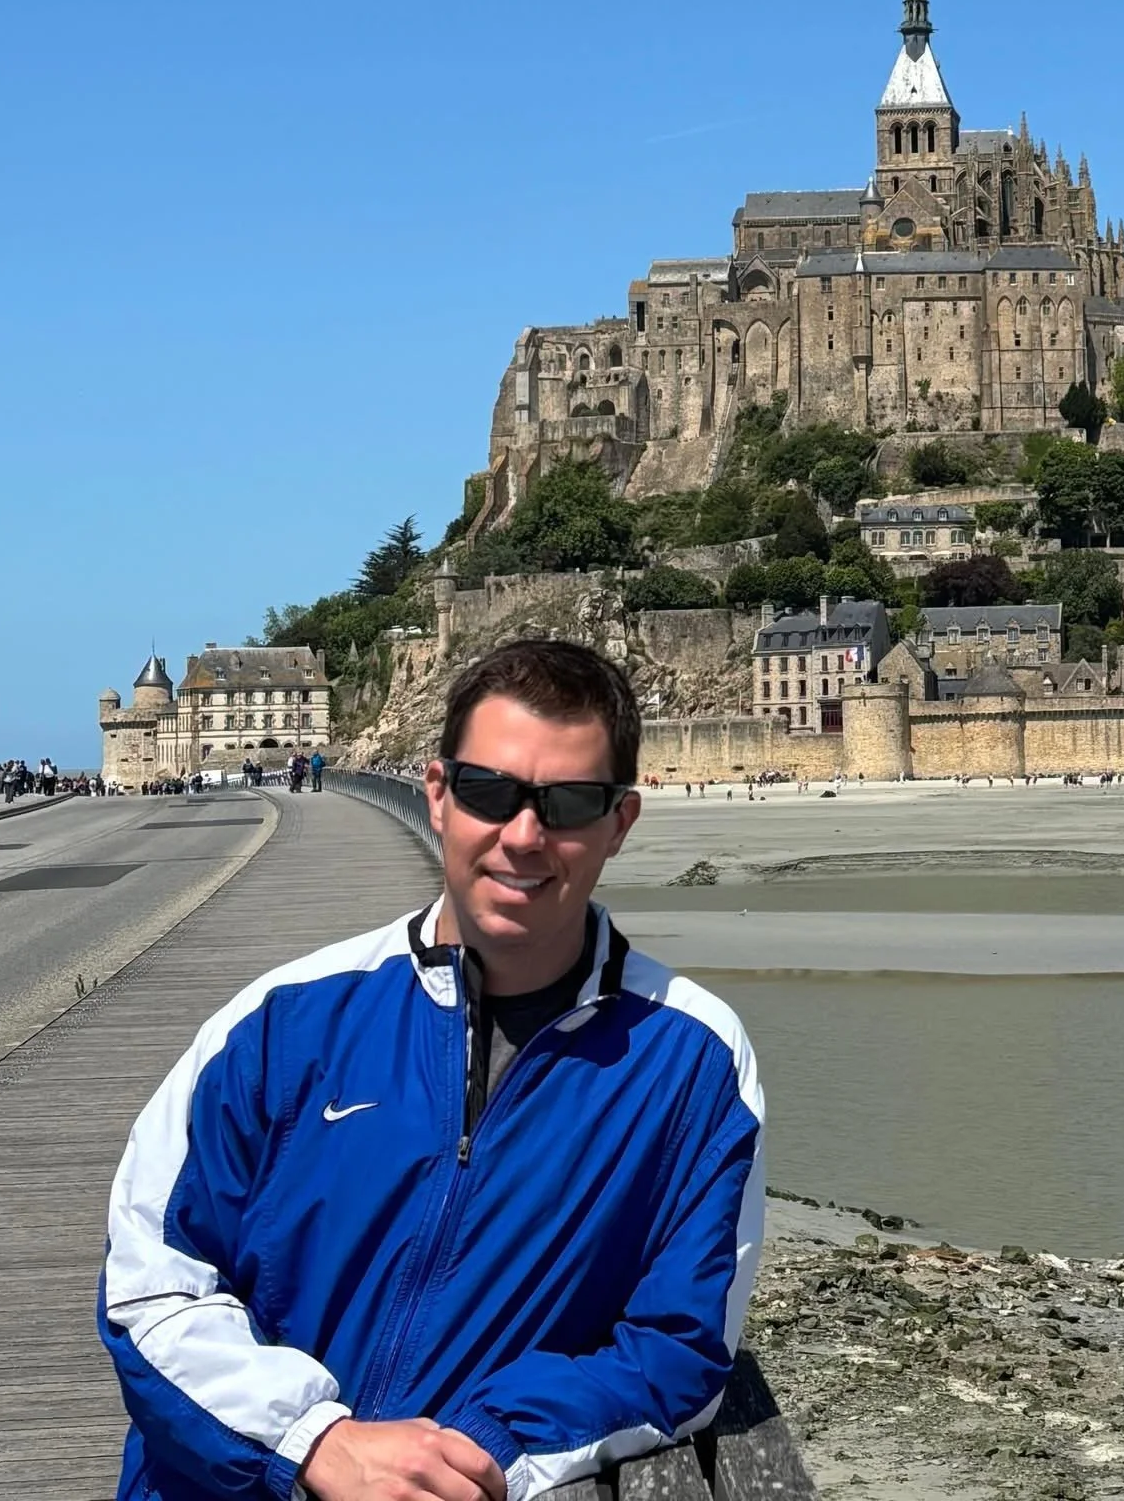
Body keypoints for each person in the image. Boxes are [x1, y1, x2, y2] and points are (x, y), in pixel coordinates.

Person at [100, 638, 764, 1501]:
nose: (524, 837)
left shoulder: (693, 1061)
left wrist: (476, 1450)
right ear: (439, 797)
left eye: (567, 804)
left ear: (620, 823)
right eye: (490, 793)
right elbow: (149, 1285)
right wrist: (314, 1443)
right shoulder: (282, 1021)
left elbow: (679, 1348)